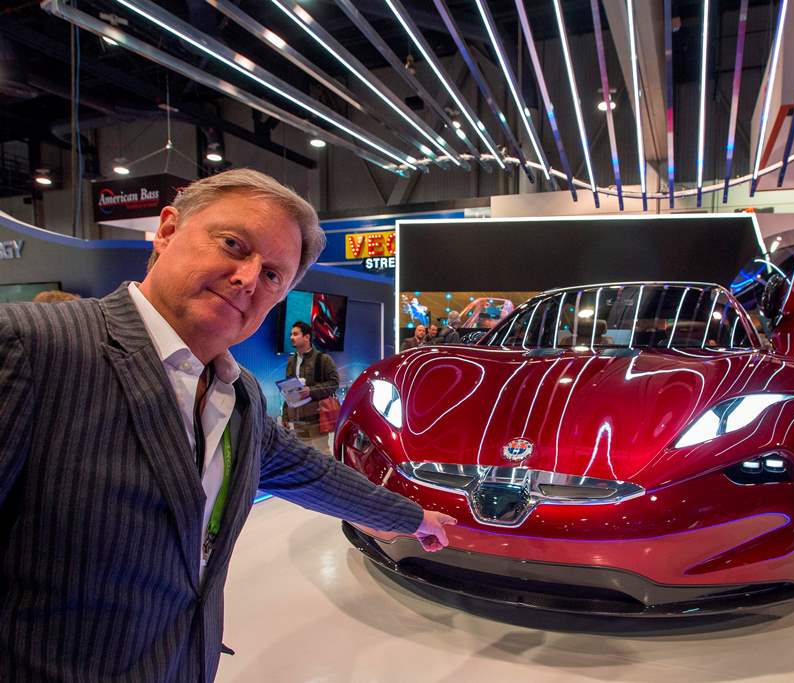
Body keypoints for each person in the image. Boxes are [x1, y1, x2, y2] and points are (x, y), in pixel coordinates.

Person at [0, 169, 455, 681]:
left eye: (272, 276)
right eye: (234, 244)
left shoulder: (236, 395)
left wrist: (412, 518)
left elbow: (311, 473)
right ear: (168, 231)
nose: (247, 279)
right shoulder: (32, 346)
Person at [281, 320, 339, 454]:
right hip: (297, 418)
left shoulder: (323, 359)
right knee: (303, 457)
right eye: (291, 334)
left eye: (295, 334)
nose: (291, 337)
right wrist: (285, 416)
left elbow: (334, 383)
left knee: (322, 455)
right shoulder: (291, 361)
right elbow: (288, 390)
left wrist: (310, 391)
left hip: (316, 418)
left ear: (307, 337)